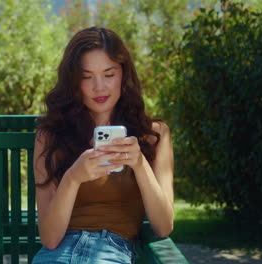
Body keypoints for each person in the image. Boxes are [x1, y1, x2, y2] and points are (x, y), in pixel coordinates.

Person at [32, 26, 174, 264]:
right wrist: (73, 178)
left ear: (123, 75)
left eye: (109, 75)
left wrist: (140, 165)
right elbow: (50, 239)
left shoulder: (154, 135)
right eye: (86, 77)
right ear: (74, 82)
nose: (99, 87)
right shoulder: (50, 136)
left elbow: (163, 226)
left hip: (111, 251)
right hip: (58, 253)